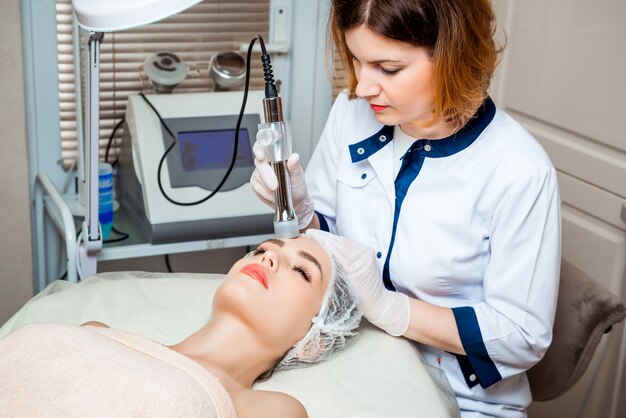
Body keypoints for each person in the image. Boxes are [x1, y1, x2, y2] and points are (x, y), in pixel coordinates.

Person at [251, 1, 561, 416]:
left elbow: (522, 336)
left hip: (462, 399)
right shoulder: (352, 113)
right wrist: (302, 211)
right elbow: (329, 242)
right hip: (356, 364)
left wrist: (392, 310)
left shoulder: (519, 171)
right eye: (357, 61)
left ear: (455, 55)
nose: (363, 87)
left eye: (389, 69)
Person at [0, 234, 362, 418]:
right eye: (263, 249)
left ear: (315, 340)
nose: (267, 255)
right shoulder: (97, 331)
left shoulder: (267, 408)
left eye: (302, 271)